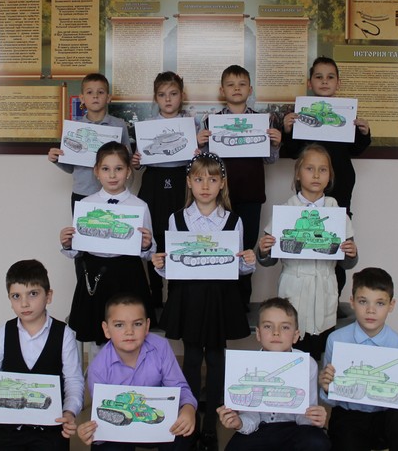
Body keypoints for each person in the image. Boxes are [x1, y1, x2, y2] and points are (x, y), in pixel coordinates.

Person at [152, 152, 256, 451]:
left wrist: (248, 261)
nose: (205, 185)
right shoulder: (177, 219)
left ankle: (210, 426)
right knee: (192, 358)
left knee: (216, 358)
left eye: (212, 179)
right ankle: (191, 425)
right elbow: (172, 265)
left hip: (221, 297)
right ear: (189, 182)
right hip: (189, 296)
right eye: (199, 179)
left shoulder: (233, 220)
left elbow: (238, 266)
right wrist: (160, 264)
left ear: (222, 183)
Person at [0, 259, 83, 451]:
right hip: (7, 427)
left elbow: (73, 380)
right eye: (16, 296)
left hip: (50, 427)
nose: (24, 303)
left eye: (33, 294)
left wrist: (69, 412)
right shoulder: (3, 333)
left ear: (48, 296)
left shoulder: (64, 334)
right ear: (10, 300)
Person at [257, 143, 357, 360]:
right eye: (309, 168)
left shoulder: (336, 213)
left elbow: (347, 262)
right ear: (298, 174)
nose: (316, 175)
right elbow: (268, 259)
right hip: (294, 284)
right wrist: (264, 251)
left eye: (323, 170)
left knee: (320, 349)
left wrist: (350, 253)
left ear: (330, 176)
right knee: (291, 348)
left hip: (325, 286)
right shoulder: (286, 210)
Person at [281, 57, 371, 299]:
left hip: (339, 188)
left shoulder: (346, 114)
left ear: (338, 83)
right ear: (309, 82)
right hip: (308, 191)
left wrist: (364, 133)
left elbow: (356, 149)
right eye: (319, 77)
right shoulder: (303, 114)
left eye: (330, 77)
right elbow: (292, 151)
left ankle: (333, 297)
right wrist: (287, 130)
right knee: (306, 237)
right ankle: (302, 294)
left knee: (337, 242)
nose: (324, 81)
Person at [198, 64, 282, 313]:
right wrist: (200, 144)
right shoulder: (210, 122)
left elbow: (270, 160)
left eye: (242, 84)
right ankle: (220, 300)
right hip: (218, 197)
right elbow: (204, 162)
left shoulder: (263, 121)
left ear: (250, 89)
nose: (236, 89)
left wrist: (275, 144)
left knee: (246, 247)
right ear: (222, 90)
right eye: (231, 85)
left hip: (251, 195)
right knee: (218, 245)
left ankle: (242, 302)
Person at [59, 141, 156, 357]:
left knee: (129, 332)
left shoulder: (139, 206)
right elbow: (77, 249)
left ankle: (129, 374)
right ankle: (99, 375)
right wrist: (67, 244)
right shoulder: (86, 204)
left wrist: (147, 245)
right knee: (98, 334)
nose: (112, 175)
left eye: (118, 168)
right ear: (96, 172)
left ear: (128, 171)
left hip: (128, 274)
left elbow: (149, 253)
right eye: (105, 169)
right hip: (96, 275)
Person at [319, 268, 398, 451]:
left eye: (380, 303)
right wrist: (326, 388)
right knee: (344, 436)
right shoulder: (336, 340)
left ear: (391, 305)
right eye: (363, 302)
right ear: (352, 302)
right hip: (349, 416)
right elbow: (331, 400)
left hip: (384, 416)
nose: (370, 310)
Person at [77, 293, 197, 450]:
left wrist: (188, 408)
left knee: (186, 427)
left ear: (147, 326)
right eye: (119, 325)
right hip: (120, 428)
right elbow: (102, 412)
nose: (129, 331)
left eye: (137, 324)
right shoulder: (98, 368)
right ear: (106, 330)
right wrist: (90, 433)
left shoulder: (161, 347)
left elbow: (179, 388)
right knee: (103, 446)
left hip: (158, 424)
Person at [217, 297, 331, 451]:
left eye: (285, 327)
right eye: (268, 326)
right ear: (258, 333)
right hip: (259, 428)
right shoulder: (246, 364)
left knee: (317, 443)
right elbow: (251, 417)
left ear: (296, 335)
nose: (276, 333)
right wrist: (239, 423)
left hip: (295, 429)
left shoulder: (307, 364)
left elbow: (304, 416)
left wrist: (314, 418)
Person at [133, 72, 197, 309]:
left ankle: (175, 294)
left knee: (180, 233)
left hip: (182, 181)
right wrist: (136, 162)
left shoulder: (192, 124)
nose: (168, 99)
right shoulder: (147, 126)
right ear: (155, 98)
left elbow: (199, 162)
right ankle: (155, 294)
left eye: (173, 94)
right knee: (154, 235)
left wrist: (199, 153)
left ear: (182, 96)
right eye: (162, 95)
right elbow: (139, 161)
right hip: (154, 182)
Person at [48, 73, 131, 213]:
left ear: (108, 97)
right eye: (90, 92)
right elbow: (70, 168)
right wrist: (56, 159)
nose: (95, 96)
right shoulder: (74, 129)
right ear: (82, 98)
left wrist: (128, 155)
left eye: (100, 92)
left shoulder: (119, 125)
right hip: (82, 192)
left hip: (113, 193)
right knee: (83, 227)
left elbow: (127, 159)